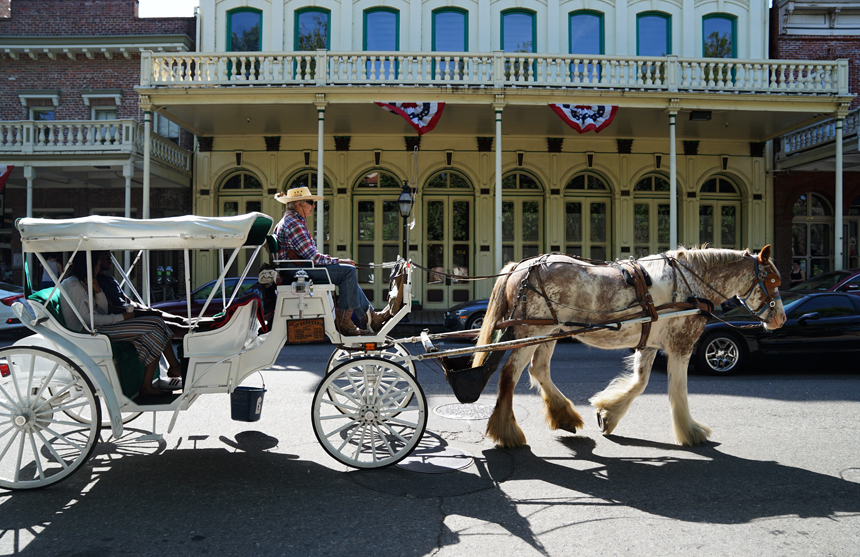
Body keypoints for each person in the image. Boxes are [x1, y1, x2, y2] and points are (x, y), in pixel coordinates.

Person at [59, 252, 183, 397]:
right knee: (156, 324)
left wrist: (98, 291)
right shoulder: (73, 284)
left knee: (156, 326)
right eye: (98, 265)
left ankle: (156, 379)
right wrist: (121, 317)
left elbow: (103, 310)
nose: (98, 269)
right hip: (88, 332)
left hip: (96, 326)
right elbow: (87, 319)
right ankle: (166, 372)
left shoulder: (84, 282)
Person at [273, 186, 391, 335]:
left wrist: (338, 262)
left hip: (297, 267)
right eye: (310, 202)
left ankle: (370, 317)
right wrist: (339, 261)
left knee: (348, 273)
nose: (313, 206)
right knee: (348, 272)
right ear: (299, 204)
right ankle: (345, 322)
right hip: (299, 270)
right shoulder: (294, 224)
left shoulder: (290, 221)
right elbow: (314, 258)